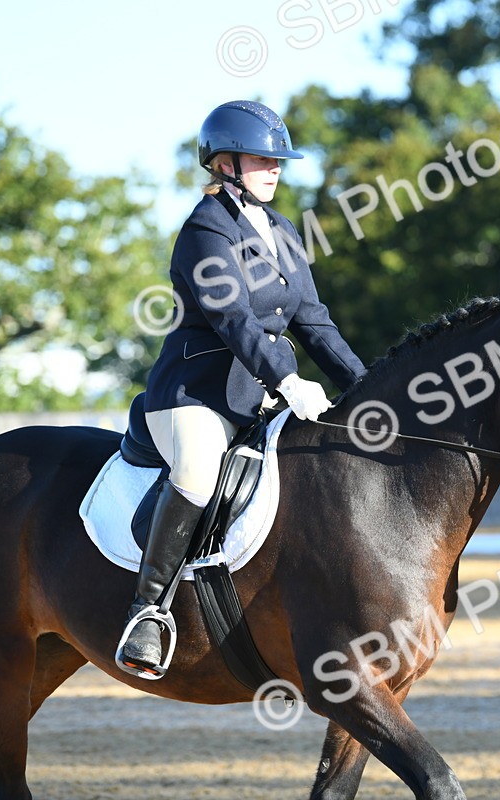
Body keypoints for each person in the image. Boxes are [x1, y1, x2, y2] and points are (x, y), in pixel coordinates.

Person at [117, 100, 366, 675]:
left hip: (254, 398)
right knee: (199, 470)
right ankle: (148, 611)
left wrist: (365, 390)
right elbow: (233, 320)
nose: (275, 168)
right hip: (193, 396)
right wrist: (289, 380)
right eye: (262, 158)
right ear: (225, 163)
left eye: (279, 160)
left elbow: (315, 322)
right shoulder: (205, 230)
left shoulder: (281, 232)